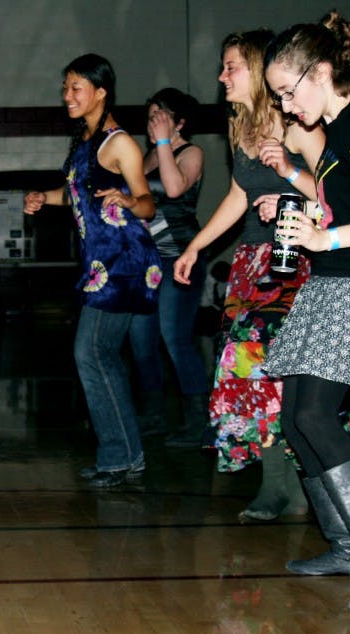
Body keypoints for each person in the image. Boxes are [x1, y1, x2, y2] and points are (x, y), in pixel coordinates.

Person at [262, 11, 350, 612]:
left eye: (290, 92)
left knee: (315, 416)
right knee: (297, 418)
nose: (288, 109)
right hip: (334, 284)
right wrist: (313, 217)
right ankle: (346, 544)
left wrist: (328, 239)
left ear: (322, 73)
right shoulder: (339, 133)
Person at [173, 30, 324, 521]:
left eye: (231, 66)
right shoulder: (243, 129)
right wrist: (195, 246)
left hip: (296, 262)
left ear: (259, 69)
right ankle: (277, 484)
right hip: (252, 265)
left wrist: (293, 196)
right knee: (248, 373)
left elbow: (336, 194)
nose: (222, 77)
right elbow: (238, 198)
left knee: (280, 375)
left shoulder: (297, 125)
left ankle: (295, 487)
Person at [24, 54, 161, 488]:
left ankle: (121, 456)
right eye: (65, 88)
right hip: (101, 263)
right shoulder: (84, 140)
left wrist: (127, 201)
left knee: (91, 352)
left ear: (101, 92)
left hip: (124, 261)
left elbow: (147, 202)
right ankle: (124, 455)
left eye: (76, 88)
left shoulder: (120, 143)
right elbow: (80, 197)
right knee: (99, 355)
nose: (68, 96)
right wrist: (45, 198)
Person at [127, 88, 210, 447]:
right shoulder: (145, 155)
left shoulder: (191, 152)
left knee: (174, 338)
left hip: (180, 258)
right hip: (146, 262)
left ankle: (198, 422)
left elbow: (174, 189)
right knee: (141, 342)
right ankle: (155, 416)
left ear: (179, 122)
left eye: (160, 116)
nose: (152, 123)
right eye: (149, 116)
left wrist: (163, 141)